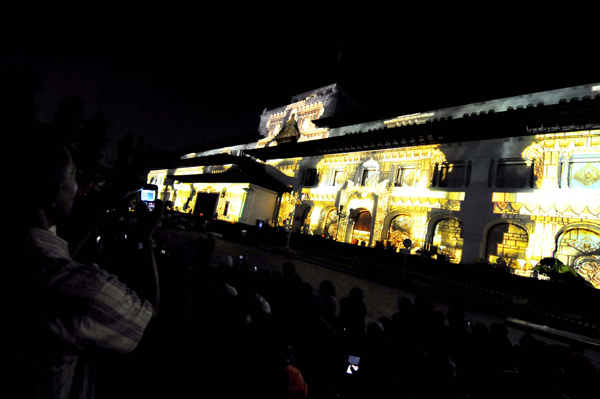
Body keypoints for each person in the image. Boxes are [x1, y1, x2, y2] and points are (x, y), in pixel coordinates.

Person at [11, 139, 160, 399]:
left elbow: (62, 257)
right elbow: (148, 314)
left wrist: (103, 205)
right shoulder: (84, 289)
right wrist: (146, 239)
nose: (79, 184)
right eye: (73, 176)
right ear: (53, 192)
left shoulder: (30, 257)